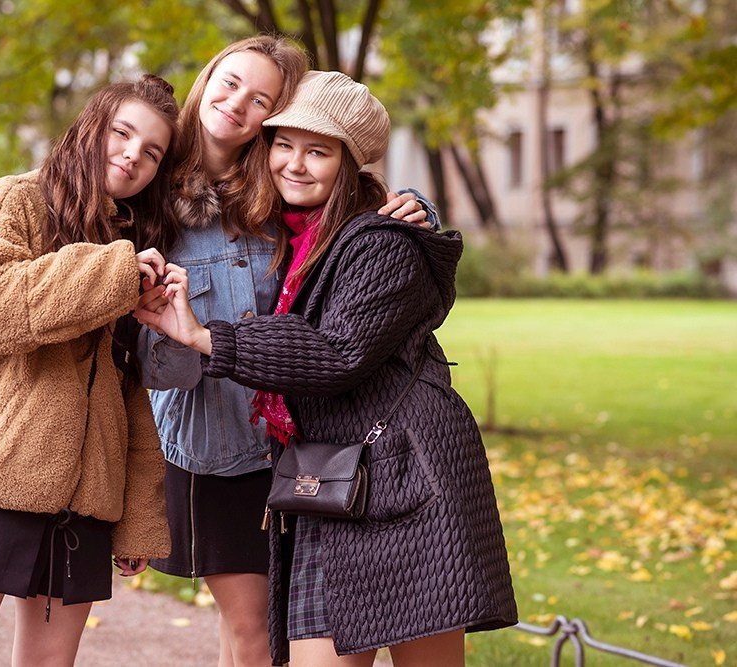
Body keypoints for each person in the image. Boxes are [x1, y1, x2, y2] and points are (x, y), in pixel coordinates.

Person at [136, 70, 518, 666]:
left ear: (349, 164)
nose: (295, 163)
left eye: (318, 151)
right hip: (331, 483)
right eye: (284, 144)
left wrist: (208, 338)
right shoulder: (291, 234)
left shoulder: (382, 242)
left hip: (409, 477)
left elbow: (336, 354)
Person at [0, 74, 179, 667]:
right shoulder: (16, 200)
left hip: (82, 508)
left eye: (152, 151)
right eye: (122, 132)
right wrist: (114, 272)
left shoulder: (132, 242)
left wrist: (136, 518)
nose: (133, 155)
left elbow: (127, 390)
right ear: (88, 129)